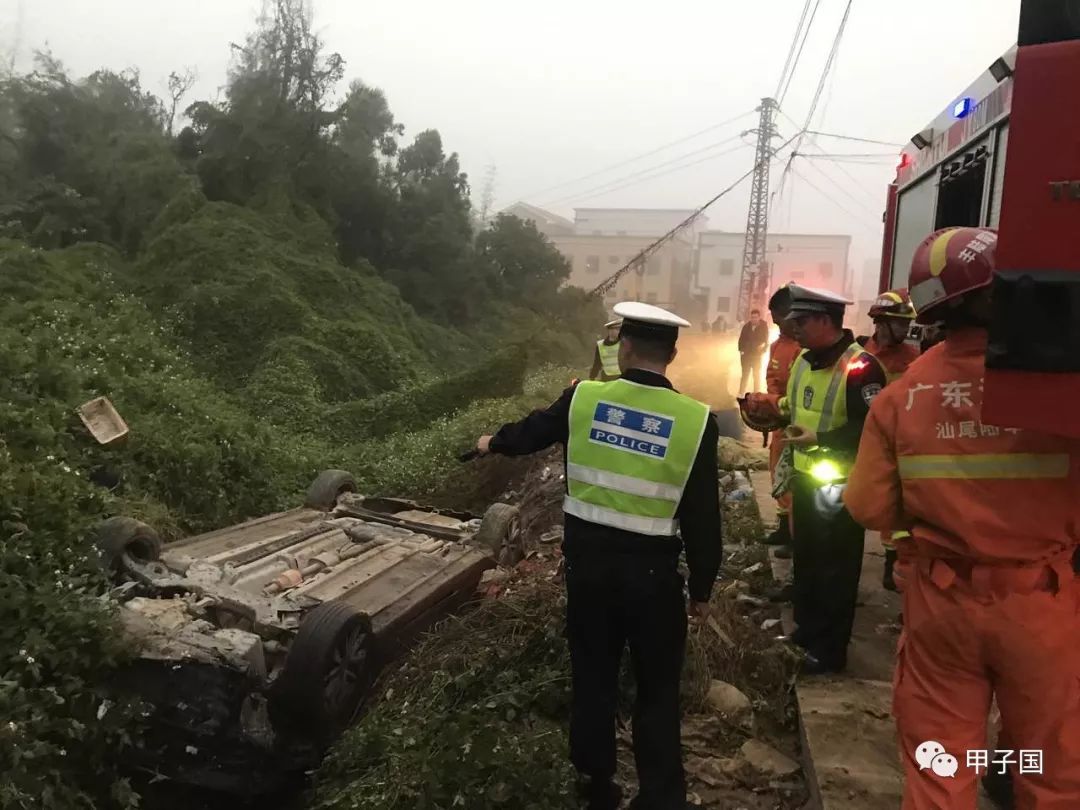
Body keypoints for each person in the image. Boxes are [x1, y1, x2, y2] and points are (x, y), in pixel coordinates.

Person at [843, 226, 1080, 810]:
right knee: (1049, 768)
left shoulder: (904, 394)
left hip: (942, 604)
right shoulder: (1058, 388)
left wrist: (913, 538)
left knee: (941, 764)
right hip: (1043, 607)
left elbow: (866, 505)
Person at [475, 301, 722, 810]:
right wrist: (701, 587)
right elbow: (703, 517)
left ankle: (594, 785)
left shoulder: (582, 399)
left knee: (593, 677)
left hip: (588, 572)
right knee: (657, 690)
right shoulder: (697, 421)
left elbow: (531, 432)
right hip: (655, 579)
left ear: (623, 347)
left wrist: (491, 442)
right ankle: (660, 797)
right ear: (672, 354)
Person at [740, 285, 886, 673]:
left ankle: (829, 650)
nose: (794, 329)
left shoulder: (862, 367)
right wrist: (770, 409)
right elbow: (796, 404)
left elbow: (871, 427)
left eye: (801, 322)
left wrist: (819, 439)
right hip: (805, 480)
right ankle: (805, 632)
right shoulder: (805, 360)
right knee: (807, 560)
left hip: (841, 485)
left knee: (835, 570)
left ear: (825, 321)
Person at [861, 288, 921, 591]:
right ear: (881, 323)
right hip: (864, 438)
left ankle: (891, 561)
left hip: (900, 440)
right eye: (899, 323)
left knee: (896, 502)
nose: (905, 329)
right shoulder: (861, 356)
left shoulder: (914, 359)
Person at [761, 285, 802, 562]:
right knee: (777, 471)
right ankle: (781, 525)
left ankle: (794, 535)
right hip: (778, 419)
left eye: (778, 317)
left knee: (793, 479)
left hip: (794, 421)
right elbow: (772, 379)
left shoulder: (802, 348)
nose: (776, 323)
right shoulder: (777, 345)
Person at [737, 309, 769, 394]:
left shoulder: (764, 327)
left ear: (759, 317)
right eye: (752, 317)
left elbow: (766, 340)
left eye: (755, 317)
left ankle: (756, 394)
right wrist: (741, 350)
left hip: (757, 356)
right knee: (745, 375)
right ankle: (741, 393)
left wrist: (762, 351)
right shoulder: (746, 327)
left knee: (756, 375)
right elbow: (741, 339)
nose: (753, 319)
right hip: (746, 355)